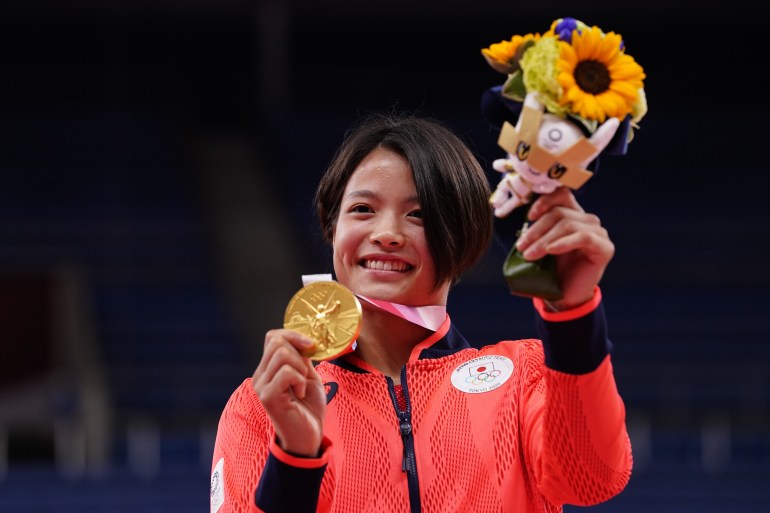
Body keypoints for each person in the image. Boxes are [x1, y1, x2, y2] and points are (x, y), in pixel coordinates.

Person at [209, 113, 632, 513]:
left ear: (463, 238)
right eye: (362, 209)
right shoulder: (263, 405)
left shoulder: (525, 377)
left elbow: (591, 478)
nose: (388, 234)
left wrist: (573, 314)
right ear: (332, 227)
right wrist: (296, 456)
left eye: (419, 215)